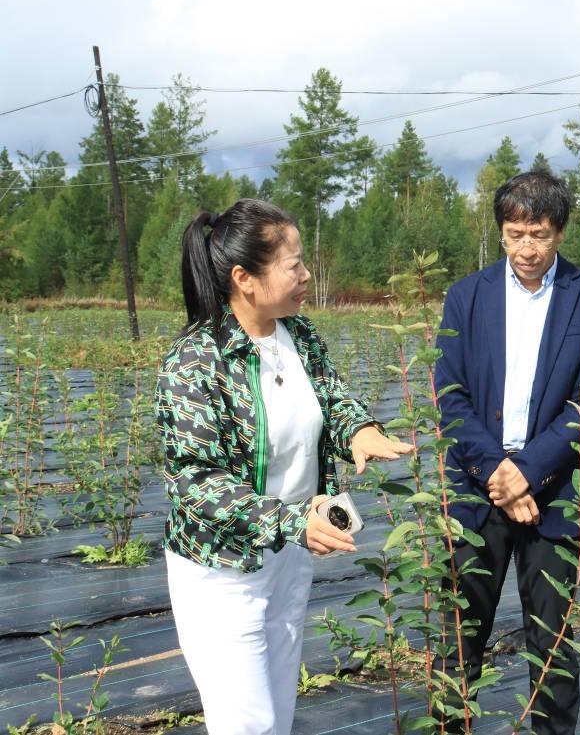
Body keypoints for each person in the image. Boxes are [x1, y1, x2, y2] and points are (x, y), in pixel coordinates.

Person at [155, 198, 412, 735]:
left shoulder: (298, 334)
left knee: (277, 714)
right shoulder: (195, 361)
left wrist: (359, 429)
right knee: (247, 724)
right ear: (244, 278)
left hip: (290, 558)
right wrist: (293, 521)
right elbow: (196, 483)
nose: (306, 275)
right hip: (224, 571)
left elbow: (331, 397)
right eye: (294, 265)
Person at [433, 171, 580, 734]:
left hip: (554, 490)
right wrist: (498, 473)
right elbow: (450, 394)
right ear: (500, 233)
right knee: (459, 637)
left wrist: (528, 473)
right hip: (476, 487)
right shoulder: (467, 297)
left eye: (539, 234)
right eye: (515, 235)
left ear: (559, 231)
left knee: (552, 641)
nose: (527, 248)